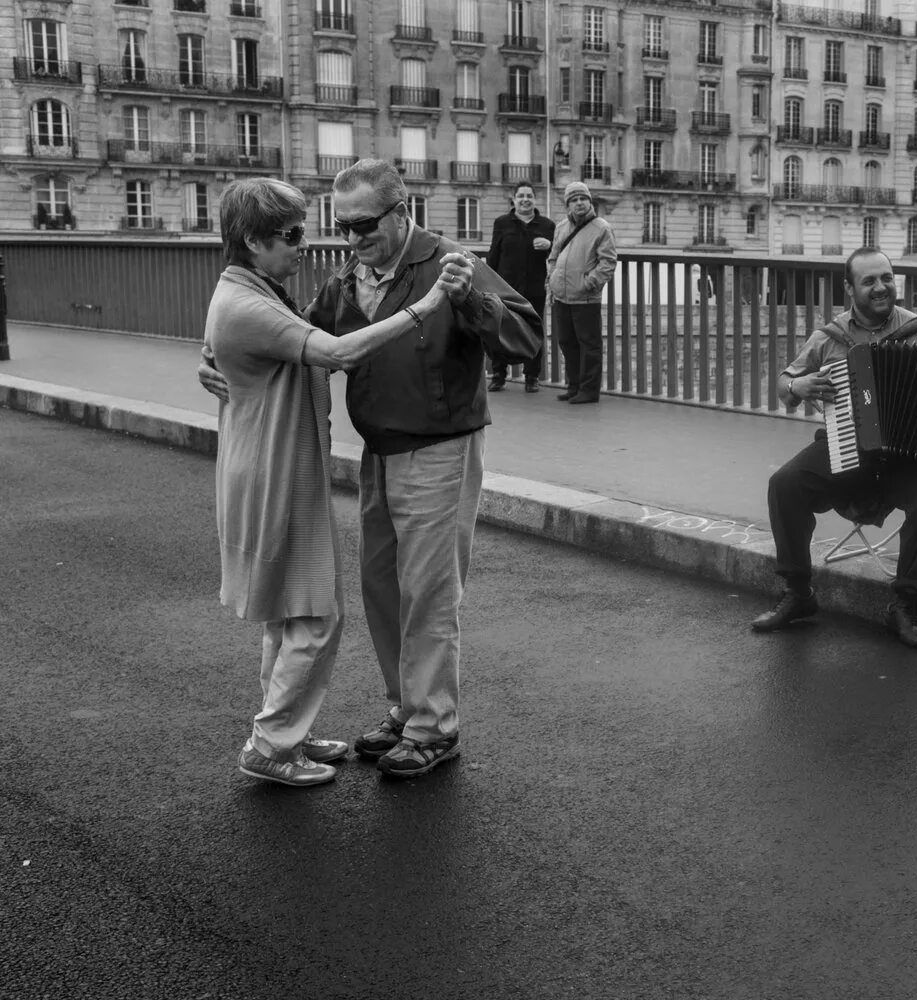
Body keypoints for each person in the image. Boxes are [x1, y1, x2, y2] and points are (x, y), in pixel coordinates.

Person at [199, 159, 540, 779]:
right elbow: (293, 333)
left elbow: (526, 338)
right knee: (382, 588)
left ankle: (434, 727)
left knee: (430, 594)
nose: (352, 239)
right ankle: (406, 709)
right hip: (378, 454)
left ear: (401, 212)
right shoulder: (349, 277)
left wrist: (473, 304)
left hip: (440, 447)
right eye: (343, 226)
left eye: (364, 226)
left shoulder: (450, 264)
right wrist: (219, 355)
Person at [206, 177, 452, 787]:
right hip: (274, 473)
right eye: (292, 236)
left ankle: (287, 728)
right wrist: (421, 309)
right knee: (314, 613)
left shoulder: (255, 290)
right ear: (253, 242)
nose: (306, 246)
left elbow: (248, 337)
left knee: (289, 613)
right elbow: (337, 352)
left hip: (266, 465)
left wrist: (208, 353)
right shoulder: (249, 302)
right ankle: (271, 744)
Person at [750, 248, 917, 649]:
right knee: (784, 484)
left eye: (887, 278)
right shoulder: (829, 338)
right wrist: (798, 385)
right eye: (869, 281)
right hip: (847, 449)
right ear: (849, 288)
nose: (881, 287)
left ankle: (905, 604)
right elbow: (784, 385)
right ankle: (798, 593)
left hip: (909, 460)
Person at [547, 181, 617, 404]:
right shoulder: (561, 227)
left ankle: (589, 391)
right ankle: (574, 386)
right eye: (574, 200)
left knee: (589, 345)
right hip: (562, 296)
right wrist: (553, 280)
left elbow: (608, 262)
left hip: (586, 297)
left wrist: (590, 283)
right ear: (568, 204)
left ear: (590, 201)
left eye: (582, 199)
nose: (579, 203)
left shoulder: (602, 227)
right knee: (567, 342)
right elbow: (553, 257)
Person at [484, 181, 554, 393]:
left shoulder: (547, 226)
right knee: (501, 328)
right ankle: (499, 374)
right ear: (514, 199)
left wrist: (549, 246)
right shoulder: (502, 223)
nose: (525, 199)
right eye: (521, 195)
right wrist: (488, 282)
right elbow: (493, 254)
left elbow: (557, 257)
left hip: (535, 288)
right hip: (506, 286)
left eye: (529, 196)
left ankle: (532, 376)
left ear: (535, 199)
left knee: (534, 331)